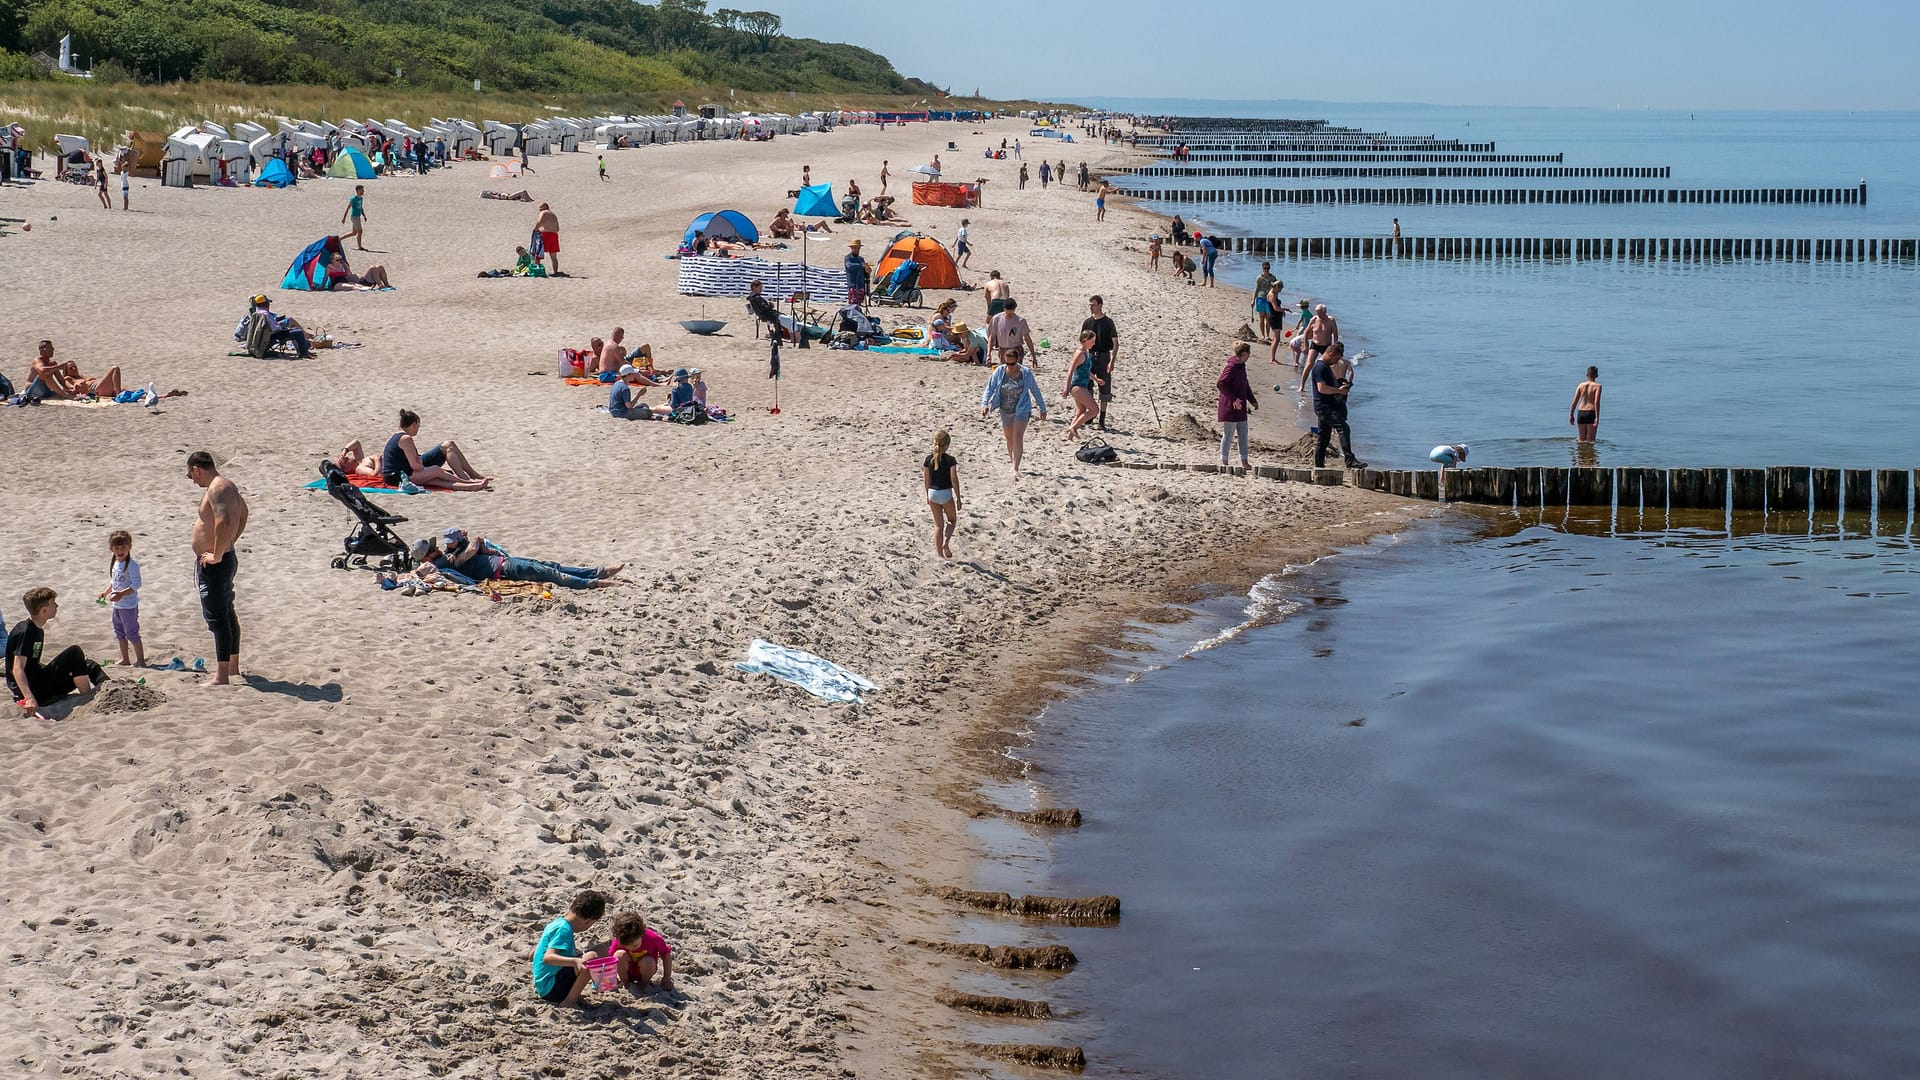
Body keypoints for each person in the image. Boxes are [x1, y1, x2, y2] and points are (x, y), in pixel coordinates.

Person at [188, 450, 248, 686]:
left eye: (191, 476)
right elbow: (243, 514)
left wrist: (217, 553)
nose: (193, 482)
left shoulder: (216, 488)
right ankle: (232, 668)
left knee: (218, 617)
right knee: (227, 611)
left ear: (196, 469)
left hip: (217, 563)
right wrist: (230, 542)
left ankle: (222, 676)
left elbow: (223, 521)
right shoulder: (228, 485)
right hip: (224, 556)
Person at [415, 527, 621, 590]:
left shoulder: (447, 555)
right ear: (428, 557)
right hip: (504, 568)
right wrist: (475, 540)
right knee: (549, 573)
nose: (439, 548)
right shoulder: (443, 563)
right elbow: (471, 551)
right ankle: (595, 583)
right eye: (434, 549)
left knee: (549, 566)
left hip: (504, 564)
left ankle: (597, 572)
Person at [7, 588, 104, 719]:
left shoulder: (37, 629)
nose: (57, 605)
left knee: (88, 665)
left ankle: (111, 690)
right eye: (53, 602)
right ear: (44, 610)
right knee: (74, 652)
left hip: (38, 683)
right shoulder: (26, 631)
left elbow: (32, 664)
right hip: (33, 691)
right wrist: (29, 698)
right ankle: (87, 699)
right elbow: (17, 668)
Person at [381, 410, 491, 491]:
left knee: (439, 479)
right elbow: (416, 467)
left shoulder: (397, 436)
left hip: (395, 474)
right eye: (418, 426)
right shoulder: (406, 438)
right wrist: (419, 462)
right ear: (414, 424)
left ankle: (472, 485)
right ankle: (466, 481)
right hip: (399, 476)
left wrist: (418, 461)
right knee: (436, 471)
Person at [979, 350, 1047, 477]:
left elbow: (1035, 390)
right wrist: (985, 404)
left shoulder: (1026, 373)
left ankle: (1016, 467)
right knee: (1009, 438)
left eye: (1012, 363)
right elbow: (990, 388)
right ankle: (1013, 463)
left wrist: (1042, 408)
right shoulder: (999, 371)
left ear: (1018, 361)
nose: (1009, 366)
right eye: (1007, 363)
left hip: (1022, 409)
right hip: (1005, 409)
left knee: (1017, 436)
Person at [533, 890, 606, 1007]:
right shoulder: (564, 930)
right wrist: (575, 961)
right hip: (551, 989)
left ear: (571, 905)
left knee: (589, 953)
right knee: (590, 959)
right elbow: (548, 958)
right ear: (589, 922)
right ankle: (569, 1001)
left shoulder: (557, 923)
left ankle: (572, 994)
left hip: (543, 984)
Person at [1310, 342, 1367, 469]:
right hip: (1324, 407)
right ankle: (1349, 460)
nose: (1336, 362)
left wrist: (1341, 386)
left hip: (1324, 406)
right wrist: (1339, 391)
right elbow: (1322, 388)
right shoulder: (1321, 367)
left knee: (1323, 437)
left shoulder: (1324, 367)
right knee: (1343, 428)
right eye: (1336, 359)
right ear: (1330, 354)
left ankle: (1319, 465)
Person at [101, 529, 146, 667]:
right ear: (111, 548)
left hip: (128, 606)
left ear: (129, 547)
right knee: (119, 632)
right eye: (117, 548)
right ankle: (125, 659)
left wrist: (121, 594)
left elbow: (137, 584)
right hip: (117, 606)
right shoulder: (115, 563)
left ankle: (140, 660)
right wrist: (105, 592)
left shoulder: (132, 565)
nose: (120, 550)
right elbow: (114, 582)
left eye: (123, 547)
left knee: (132, 633)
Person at [26, 339, 123, 400]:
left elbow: (62, 382)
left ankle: (65, 394)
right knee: (44, 374)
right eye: (50, 348)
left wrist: (71, 389)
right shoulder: (37, 361)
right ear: (42, 350)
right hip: (32, 391)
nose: (53, 350)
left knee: (49, 374)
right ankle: (65, 395)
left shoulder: (52, 363)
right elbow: (42, 371)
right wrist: (59, 367)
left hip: (46, 391)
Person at [1080, 296, 1120, 430]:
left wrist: (1112, 361)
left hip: (1103, 356)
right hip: (1089, 356)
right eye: (1090, 305)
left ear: (1100, 305)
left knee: (1104, 388)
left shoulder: (1108, 322)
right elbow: (1082, 342)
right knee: (1087, 386)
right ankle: (1090, 415)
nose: (1091, 307)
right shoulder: (1087, 322)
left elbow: (1115, 343)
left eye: (1093, 304)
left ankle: (1102, 419)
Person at [609, 912, 675, 993]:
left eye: (634, 945)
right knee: (618, 955)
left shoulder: (653, 938)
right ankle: (626, 983)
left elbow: (666, 955)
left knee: (648, 961)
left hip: (646, 970)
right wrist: (612, 977)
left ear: (642, 933)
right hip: (627, 971)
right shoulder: (620, 940)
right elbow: (610, 959)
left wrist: (666, 977)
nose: (629, 948)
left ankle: (644, 984)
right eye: (625, 946)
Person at [1217, 342, 1258, 469]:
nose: (1249, 356)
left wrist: (1252, 400)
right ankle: (1224, 460)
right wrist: (1234, 399)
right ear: (1244, 354)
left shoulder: (1241, 366)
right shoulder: (1232, 367)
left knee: (1243, 434)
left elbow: (1245, 385)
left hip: (1241, 407)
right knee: (1228, 434)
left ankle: (1244, 461)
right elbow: (1221, 383)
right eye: (1248, 354)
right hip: (1230, 406)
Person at [923, 430, 961, 560]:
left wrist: (927, 495)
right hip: (945, 493)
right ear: (947, 445)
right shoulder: (951, 460)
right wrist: (958, 498)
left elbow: (926, 480)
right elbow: (954, 480)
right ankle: (946, 543)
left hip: (932, 493)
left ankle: (939, 555)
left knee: (938, 525)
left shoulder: (928, 460)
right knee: (952, 520)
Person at [1060, 330, 1101, 441]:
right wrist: (1066, 388)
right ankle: (1074, 427)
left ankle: (1069, 438)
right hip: (1077, 386)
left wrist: (1096, 379)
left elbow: (1086, 370)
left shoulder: (1086, 353)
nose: (1093, 343)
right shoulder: (1079, 353)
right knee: (1094, 410)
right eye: (1092, 341)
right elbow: (1071, 370)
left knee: (1080, 412)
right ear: (1084, 341)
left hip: (1082, 385)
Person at [244, 296, 312, 358]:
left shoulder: (256, 313)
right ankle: (304, 353)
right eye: (267, 303)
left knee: (294, 329)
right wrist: (283, 328)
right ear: (263, 304)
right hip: (273, 335)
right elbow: (274, 328)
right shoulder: (265, 314)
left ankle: (303, 351)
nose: (269, 304)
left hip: (265, 336)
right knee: (298, 332)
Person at [1297, 303, 1340, 391]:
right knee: (1309, 364)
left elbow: (1335, 334)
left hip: (1326, 346)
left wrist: (1335, 347)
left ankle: (1332, 385)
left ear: (1324, 312)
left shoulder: (1331, 320)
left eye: (1319, 313)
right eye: (1317, 312)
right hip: (1315, 344)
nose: (1318, 314)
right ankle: (1302, 386)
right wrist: (1305, 344)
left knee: (1331, 366)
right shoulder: (1314, 319)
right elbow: (1306, 331)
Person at [987, 298, 1038, 367]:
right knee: (1005, 372)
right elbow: (992, 337)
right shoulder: (996, 319)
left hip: (1016, 350)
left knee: (1016, 372)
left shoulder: (1020, 321)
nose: (1010, 313)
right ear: (1004, 309)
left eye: (1012, 311)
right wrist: (989, 354)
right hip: (1003, 350)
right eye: (1008, 311)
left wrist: (1033, 356)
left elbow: (1027, 338)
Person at [1570, 366, 1603, 442]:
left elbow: (1575, 401)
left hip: (1581, 413)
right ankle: (1589, 453)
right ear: (1596, 375)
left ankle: (1580, 453)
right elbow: (1596, 402)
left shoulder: (1580, 385)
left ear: (1587, 374)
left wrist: (1571, 414)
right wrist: (1597, 417)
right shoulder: (1597, 386)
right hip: (1591, 413)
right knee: (1591, 441)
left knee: (1581, 440)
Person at [326, 252, 391, 290]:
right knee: (354, 286)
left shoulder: (342, 266)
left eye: (340, 259)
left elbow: (349, 274)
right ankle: (374, 286)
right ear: (332, 260)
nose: (339, 261)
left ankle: (385, 284)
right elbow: (325, 278)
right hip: (337, 283)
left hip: (356, 281)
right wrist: (322, 287)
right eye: (337, 260)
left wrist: (345, 265)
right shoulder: (329, 267)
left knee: (379, 267)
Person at [533, 203, 561, 276]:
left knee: (538, 253)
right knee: (554, 256)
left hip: (546, 234)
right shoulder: (553, 214)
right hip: (554, 235)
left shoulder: (544, 212)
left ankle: (536, 270)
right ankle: (555, 272)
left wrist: (535, 230)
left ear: (545, 207)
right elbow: (558, 228)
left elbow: (539, 222)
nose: (539, 209)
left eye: (540, 207)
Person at [1252, 262, 1277, 341]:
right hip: (1260, 298)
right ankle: (1262, 335)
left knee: (1268, 318)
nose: (1266, 270)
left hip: (1269, 300)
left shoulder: (1273, 278)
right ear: (1262, 268)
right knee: (1262, 318)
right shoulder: (1259, 278)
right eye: (1265, 268)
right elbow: (1256, 289)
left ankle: (1267, 335)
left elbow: (1276, 290)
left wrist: (1275, 300)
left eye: (1268, 268)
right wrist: (1253, 299)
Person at [844, 239, 871, 305]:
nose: (857, 250)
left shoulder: (861, 259)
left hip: (861, 285)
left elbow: (867, 271)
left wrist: (867, 268)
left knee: (859, 304)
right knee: (853, 304)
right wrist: (860, 265)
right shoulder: (848, 258)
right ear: (851, 248)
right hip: (853, 285)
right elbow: (849, 266)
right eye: (855, 248)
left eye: (858, 248)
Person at [341, 185, 367, 250]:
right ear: (358, 190)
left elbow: (361, 207)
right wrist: (344, 218)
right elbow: (348, 208)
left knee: (354, 233)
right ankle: (359, 246)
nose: (363, 191)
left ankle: (339, 239)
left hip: (358, 216)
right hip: (354, 217)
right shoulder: (353, 199)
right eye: (362, 190)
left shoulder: (361, 198)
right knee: (360, 231)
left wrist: (364, 215)